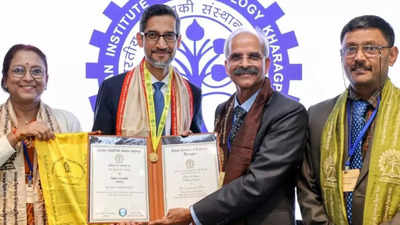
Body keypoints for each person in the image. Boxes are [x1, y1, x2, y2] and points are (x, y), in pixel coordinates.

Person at [148, 27, 308, 225]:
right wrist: (192, 148)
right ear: (226, 66)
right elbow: (220, 168)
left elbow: (257, 183)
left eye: (253, 57)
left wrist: (192, 213)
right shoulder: (223, 110)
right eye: (236, 57)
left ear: (266, 64)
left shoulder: (288, 113)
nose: (244, 64)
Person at [297, 15, 400, 225]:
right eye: (350, 49)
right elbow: (307, 187)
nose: (359, 57)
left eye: (371, 48)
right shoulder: (317, 115)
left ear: (392, 55)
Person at [92, 4, 202, 137]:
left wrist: (190, 142)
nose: (161, 45)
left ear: (178, 41)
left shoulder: (192, 93)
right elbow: (99, 147)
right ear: (140, 40)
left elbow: (198, 145)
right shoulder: (113, 88)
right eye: (152, 35)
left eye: (169, 35)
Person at [0, 44, 81, 225]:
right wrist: (17, 135)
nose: (28, 78)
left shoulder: (66, 121)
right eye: (19, 71)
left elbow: (79, 177)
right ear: (5, 79)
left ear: (46, 79)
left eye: (36, 71)